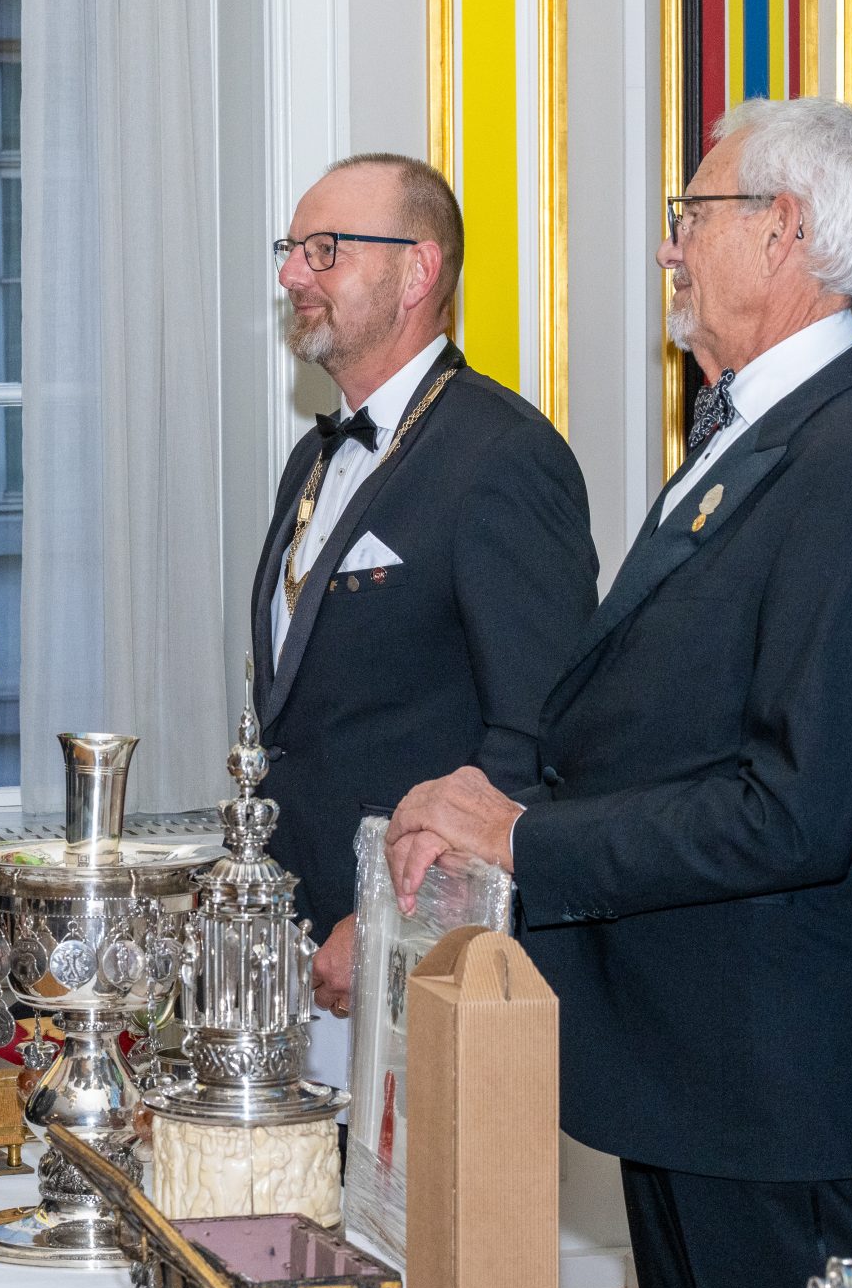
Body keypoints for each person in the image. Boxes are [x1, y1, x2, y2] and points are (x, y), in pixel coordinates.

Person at [386, 97, 852, 1288]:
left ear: (783, 230)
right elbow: (645, 723)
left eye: (690, 215)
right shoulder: (755, 432)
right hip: (687, 1060)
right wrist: (489, 807)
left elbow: (795, 810)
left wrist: (527, 840)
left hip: (762, 1080)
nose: (670, 247)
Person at [249, 153, 596, 1085]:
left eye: (324, 249)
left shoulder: (504, 456)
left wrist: (389, 922)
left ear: (417, 271)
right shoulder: (310, 462)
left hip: (428, 968)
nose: (292, 274)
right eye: (291, 249)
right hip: (302, 963)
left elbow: (539, 738)